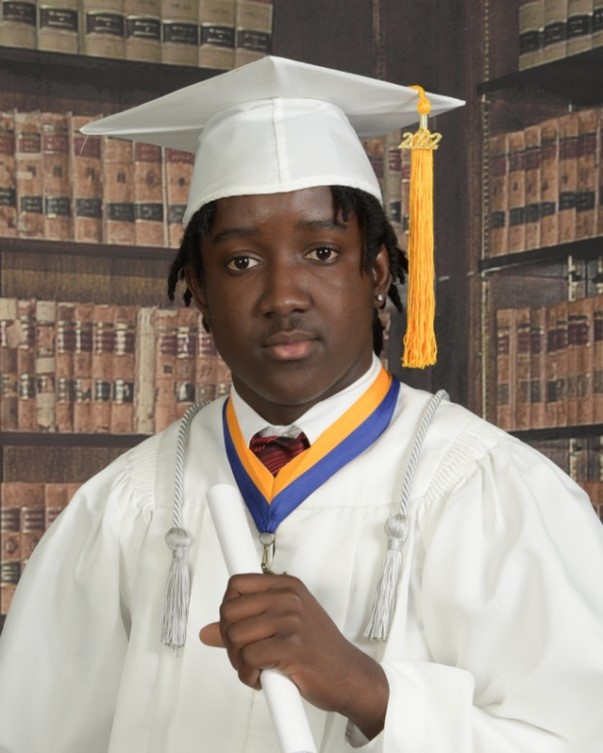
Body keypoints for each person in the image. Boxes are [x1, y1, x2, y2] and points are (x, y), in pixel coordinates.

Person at [0, 56, 602, 753]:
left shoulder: (489, 490)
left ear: (376, 271)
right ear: (197, 288)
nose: (283, 295)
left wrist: (369, 692)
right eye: (241, 262)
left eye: (320, 251)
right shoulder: (126, 503)